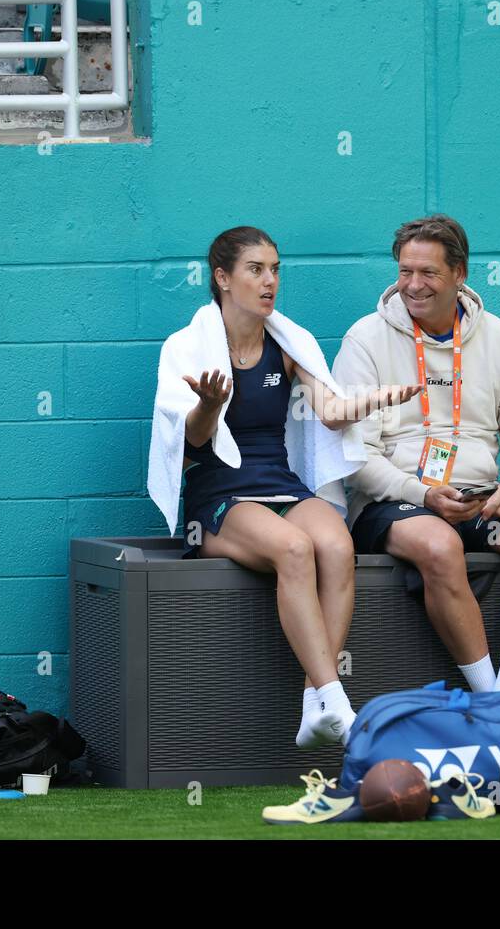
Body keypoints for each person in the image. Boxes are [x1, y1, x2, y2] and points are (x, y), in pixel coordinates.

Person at [148, 226, 420, 748]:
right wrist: (207, 404)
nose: (269, 280)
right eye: (256, 270)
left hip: (280, 483)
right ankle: (337, 701)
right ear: (222, 278)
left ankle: (314, 702)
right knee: (295, 550)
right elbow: (193, 442)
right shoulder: (187, 347)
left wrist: (378, 399)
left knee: (337, 544)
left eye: (275, 269)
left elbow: (334, 414)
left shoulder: (289, 342)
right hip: (219, 495)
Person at [332, 214, 500, 693]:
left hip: (477, 496)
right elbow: (357, 456)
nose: (413, 285)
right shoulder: (366, 337)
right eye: (405, 271)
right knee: (440, 547)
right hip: (395, 501)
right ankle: (489, 696)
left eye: (428, 273)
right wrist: (422, 496)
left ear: (459, 274)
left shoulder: (498, 336)